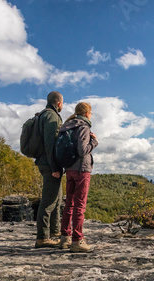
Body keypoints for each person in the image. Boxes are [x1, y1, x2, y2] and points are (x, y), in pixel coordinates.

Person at [58, 102, 98, 252]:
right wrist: (94, 142)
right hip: (81, 169)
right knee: (79, 205)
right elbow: (83, 151)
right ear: (87, 113)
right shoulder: (83, 127)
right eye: (91, 113)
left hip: (69, 169)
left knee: (69, 203)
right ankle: (77, 240)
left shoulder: (68, 126)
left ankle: (65, 238)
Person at [35, 91, 64, 248]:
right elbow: (50, 143)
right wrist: (54, 167)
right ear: (59, 103)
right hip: (49, 163)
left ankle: (55, 232)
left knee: (57, 199)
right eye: (62, 103)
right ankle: (42, 238)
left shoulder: (42, 115)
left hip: (45, 161)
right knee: (48, 201)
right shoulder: (52, 116)